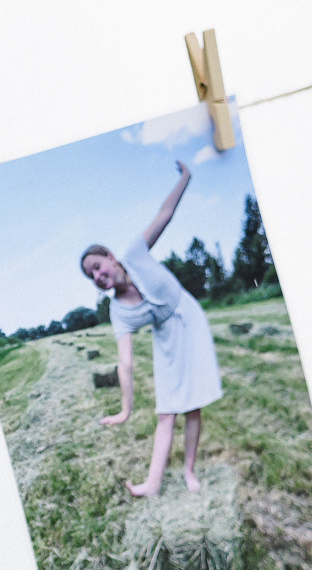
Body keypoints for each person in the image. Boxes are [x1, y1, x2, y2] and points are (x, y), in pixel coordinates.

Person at [79, 159, 225, 497]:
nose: (98, 276)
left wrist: (186, 177)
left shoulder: (135, 252)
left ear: (112, 258)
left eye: (98, 266)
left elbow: (164, 214)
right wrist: (125, 409)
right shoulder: (118, 311)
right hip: (165, 337)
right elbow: (126, 363)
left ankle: (189, 471)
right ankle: (153, 484)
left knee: (192, 405)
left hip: (189, 318)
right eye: (92, 276)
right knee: (166, 411)